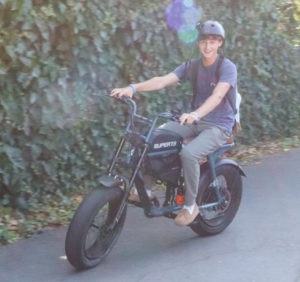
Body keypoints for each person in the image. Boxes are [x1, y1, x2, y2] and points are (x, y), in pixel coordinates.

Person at [110, 20, 237, 226]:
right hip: (195, 120)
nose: (208, 46)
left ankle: (190, 206)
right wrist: (133, 88)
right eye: (204, 41)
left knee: (189, 153)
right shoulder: (192, 66)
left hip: (219, 125)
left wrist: (196, 113)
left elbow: (218, 95)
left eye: (213, 41)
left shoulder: (227, 67)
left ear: (220, 44)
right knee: (153, 138)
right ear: (198, 43)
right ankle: (146, 189)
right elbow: (162, 80)